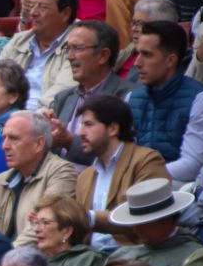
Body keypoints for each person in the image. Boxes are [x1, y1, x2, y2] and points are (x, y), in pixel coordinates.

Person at [127, 21, 203, 184]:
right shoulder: (131, 98)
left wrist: (140, 177)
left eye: (147, 55)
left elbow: (192, 165)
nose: (137, 62)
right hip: (135, 185)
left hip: (179, 192)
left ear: (170, 60)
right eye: (138, 53)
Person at [71, 97, 168, 254]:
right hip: (90, 260)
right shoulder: (85, 177)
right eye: (81, 125)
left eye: (88, 124)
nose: (80, 132)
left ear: (113, 129)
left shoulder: (146, 161)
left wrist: (90, 218)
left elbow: (147, 219)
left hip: (135, 259)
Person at [47, 21, 136, 166]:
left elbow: (119, 156)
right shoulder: (63, 98)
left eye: (77, 48)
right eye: (67, 48)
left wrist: (70, 142)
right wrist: (45, 134)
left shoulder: (126, 96)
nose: (69, 56)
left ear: (103, 55)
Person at [0, 0, 79, 112]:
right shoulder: (19, 41)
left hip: (42, 121)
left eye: (42, 7)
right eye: (32, 5)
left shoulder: (77, 46)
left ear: (65, 13)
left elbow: (60, 95)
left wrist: (23, 121)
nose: (33, 13)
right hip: (2, 116)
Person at [0, 112, 78, 248]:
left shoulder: (61, 172)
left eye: (13, 138)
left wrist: (2, 257)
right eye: (4, 138)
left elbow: (42, 229)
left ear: (38, 144)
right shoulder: (1, 181)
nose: (4, 146)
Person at [109, 180, 203, 266]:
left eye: (144, 223)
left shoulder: (195, 257)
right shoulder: (122, 254)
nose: (135, 229)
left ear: (166, 220)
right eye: (134, 223)